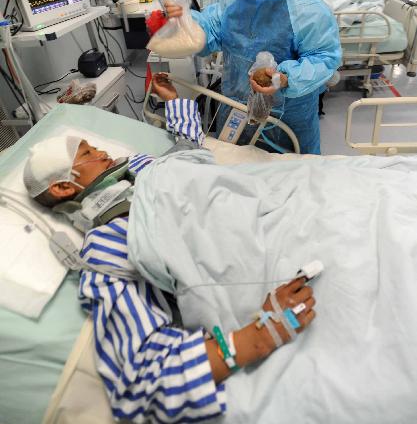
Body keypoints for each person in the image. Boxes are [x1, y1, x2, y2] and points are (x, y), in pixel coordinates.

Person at [23, 72, 316, 423]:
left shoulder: (138, 168)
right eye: (87, 153)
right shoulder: (106, 243)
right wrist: (259, 336)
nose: (102, 150)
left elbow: (187, 154)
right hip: (262, 255)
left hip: (271, 207)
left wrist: (173, 101)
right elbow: (143, 378)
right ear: (62, 189)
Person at [166, 0, 341, 155]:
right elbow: (214, 26)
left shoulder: (306, 10)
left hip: (288, 124)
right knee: (236, 172)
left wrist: (286, 78)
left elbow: (325, 58)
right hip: (235, 110)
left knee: (288, 183)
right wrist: (187, 24)